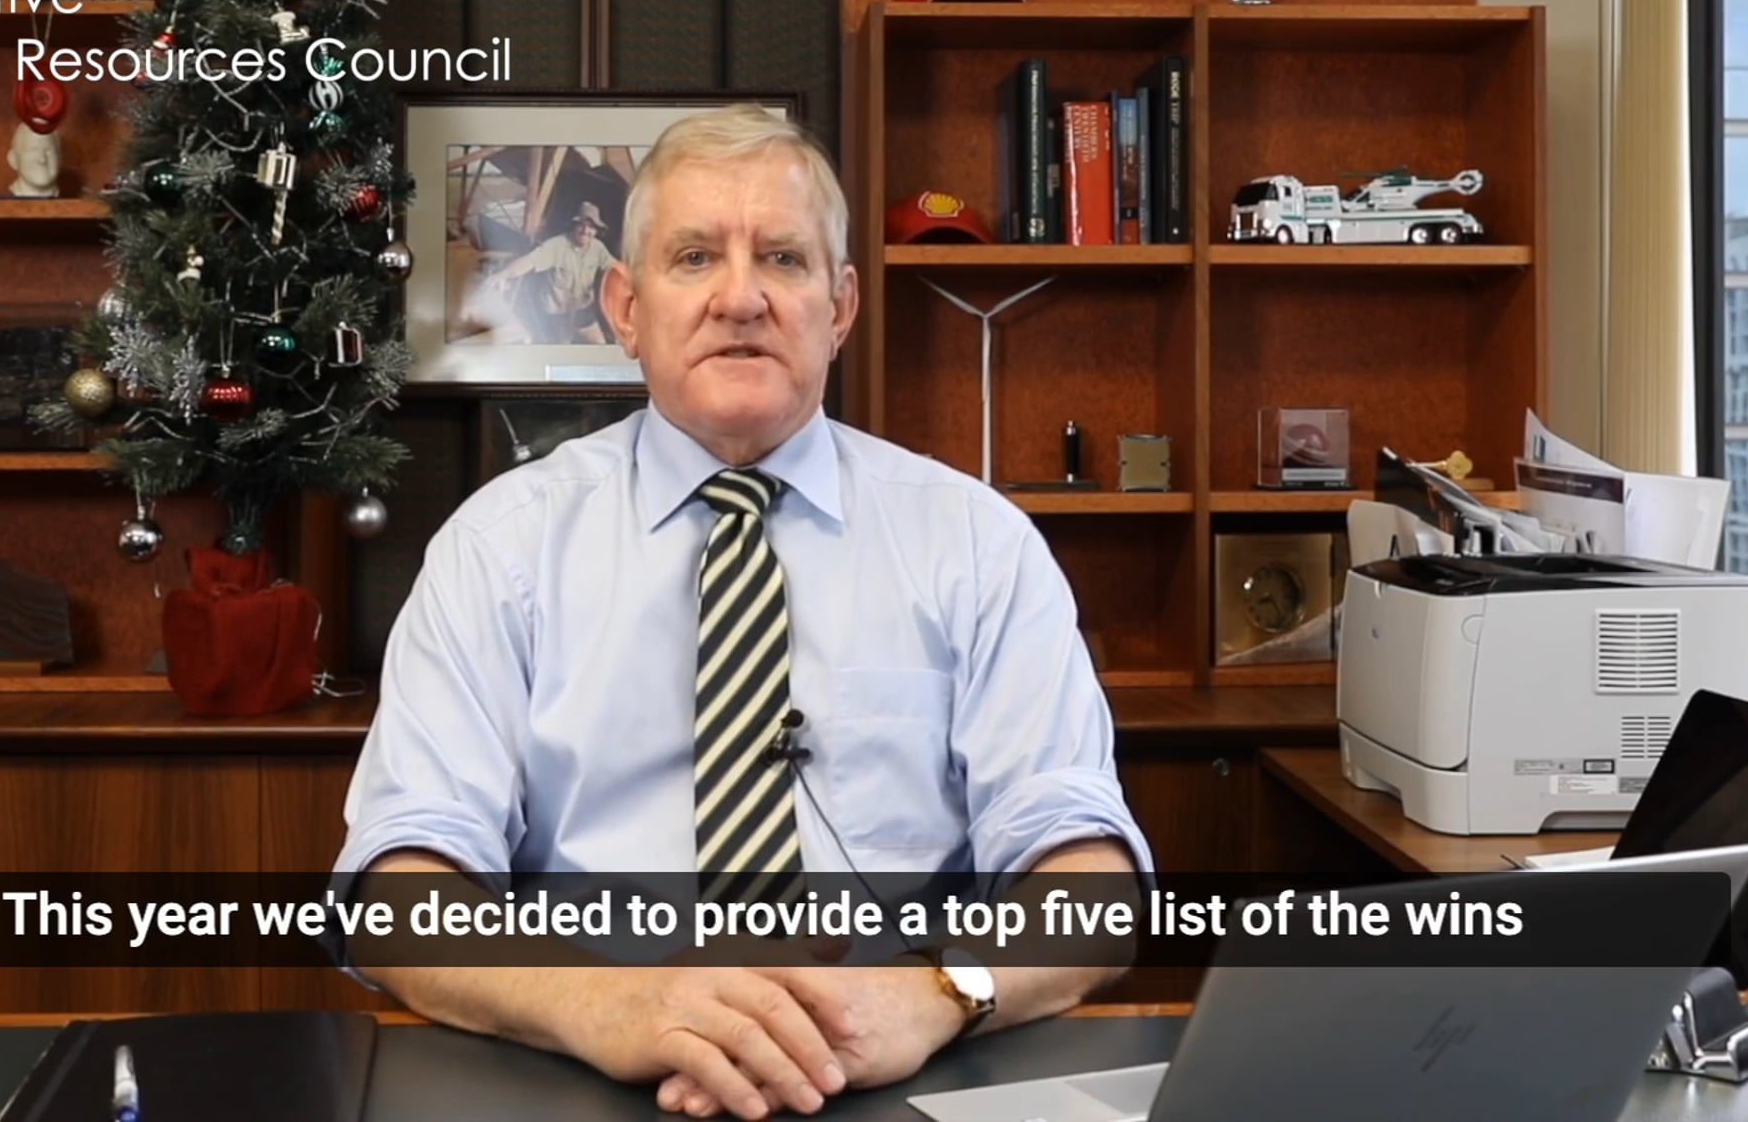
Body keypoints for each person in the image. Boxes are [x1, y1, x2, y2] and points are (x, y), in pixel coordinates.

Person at [336, 104, 1148, 1119]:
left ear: (840, 306)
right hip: (588, 1071)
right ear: (625, 308)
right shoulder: (500, 549)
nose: (741, 298)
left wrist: (937, 993)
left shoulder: (977, 544)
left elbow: (1092, 880)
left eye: (783, 259)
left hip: (905, 1068)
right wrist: (607, 1004)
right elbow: (397, 887)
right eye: (693, 258)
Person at [485, 199, 613, 342]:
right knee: (560, 350)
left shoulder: (598, 248)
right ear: (575, 225)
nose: (585, 231)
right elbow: (529, 261)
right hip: (556, 314)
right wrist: (503, 274)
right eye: (581, 225)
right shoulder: (556, 246)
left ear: (596, 231)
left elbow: (614, 268)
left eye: (591, 227)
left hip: (581, 310)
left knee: (601, 345)